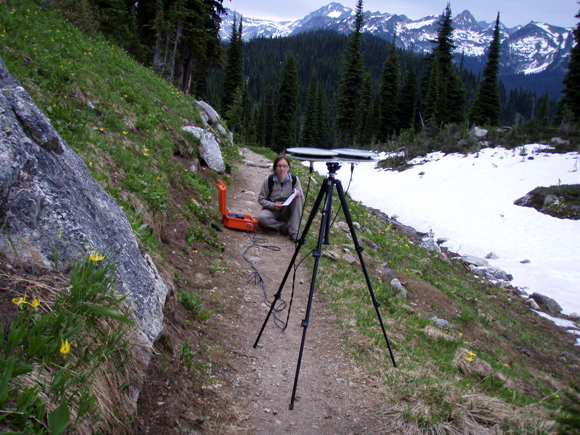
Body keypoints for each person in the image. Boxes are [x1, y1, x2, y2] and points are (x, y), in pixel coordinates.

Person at [258, 155, 304, 242]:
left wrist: (298, 194)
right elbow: (261, 199)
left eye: (284, 166)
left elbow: (302, 201)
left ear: (288, 168)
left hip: (287, 210)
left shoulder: (294, 180)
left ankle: (295, 233)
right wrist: (273, 205)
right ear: (275, 167)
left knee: (298, 198)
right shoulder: (269, 180)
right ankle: (283, 228)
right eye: (279, 166)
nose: (282, 169)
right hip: (272, 210)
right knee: (261, 218)